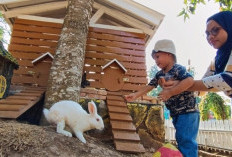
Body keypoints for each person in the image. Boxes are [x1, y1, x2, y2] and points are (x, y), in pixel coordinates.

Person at [124, 39, 199, 157]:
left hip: (188, 111)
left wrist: (170, 92)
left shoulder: (178, 69)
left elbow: (189, 80)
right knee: (181, 138)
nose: (156, 61)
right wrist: (135, 95)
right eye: (154, 58)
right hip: (176, 112)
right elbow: (150, 86)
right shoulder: (160, 74)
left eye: (157, 57)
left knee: (186, 140)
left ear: (169, 54)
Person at [163, 11, 232, 98]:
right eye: (207, 34)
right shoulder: (217, 60)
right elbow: (202, 87)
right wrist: (176, 84)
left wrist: (183, 85)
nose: (210, 37)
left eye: (215, 30)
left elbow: (228, 79)